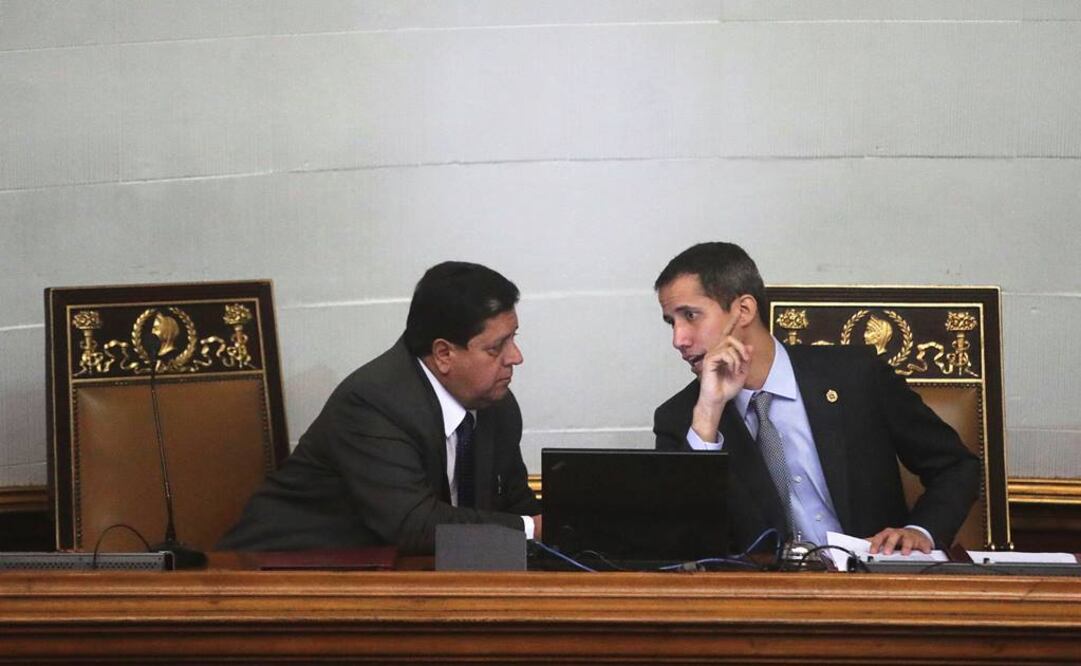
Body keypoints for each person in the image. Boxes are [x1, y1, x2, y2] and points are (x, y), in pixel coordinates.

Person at [652, 242, 979, 556]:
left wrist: (920, 531)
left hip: (875, 587)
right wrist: (709, 412)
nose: (678, 339)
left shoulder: (856, 377)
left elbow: (955, 466)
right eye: (671, 323)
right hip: (764, 602)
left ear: (743, 310)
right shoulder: (681, 418)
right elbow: (682, 541)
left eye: (691, 316)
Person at [219, 261, 541, 554]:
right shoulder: (373, 404)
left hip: (401, 576)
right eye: (496, 347)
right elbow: (414, 524)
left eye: (513, 339)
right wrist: (530, 529)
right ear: (443, 354)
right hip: (278, 576)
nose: (515, 357)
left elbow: (515, 504)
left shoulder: (495, 405)